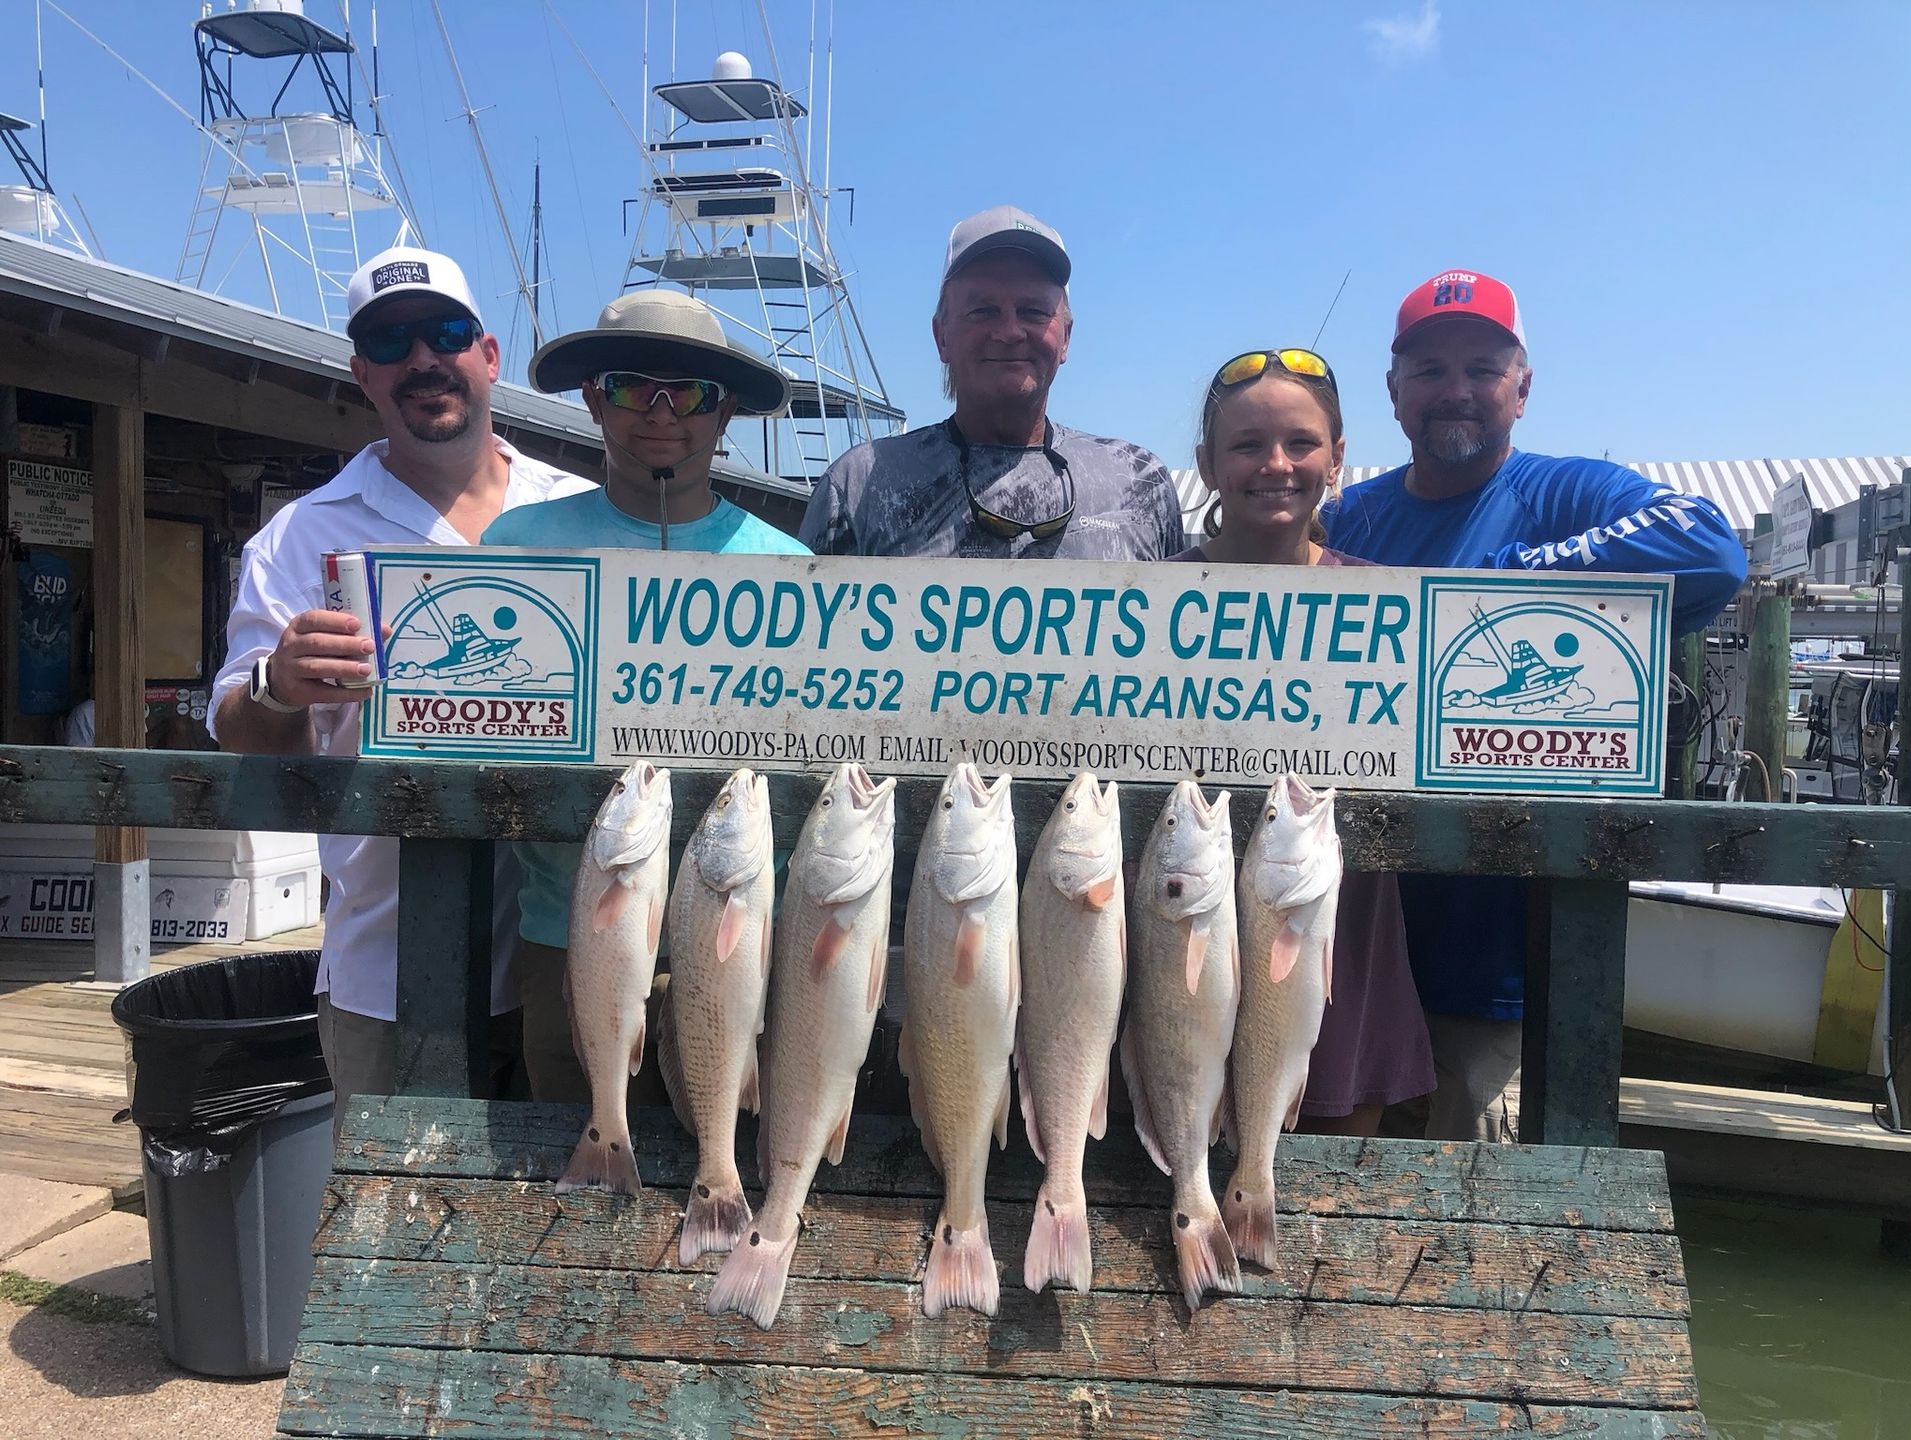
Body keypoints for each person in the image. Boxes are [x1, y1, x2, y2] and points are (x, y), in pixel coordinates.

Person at [1324, 269, 1747, 1141]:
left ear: (1524, 385)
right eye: (1430, 369)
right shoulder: (1347, 521)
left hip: (1489, 971)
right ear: (1393, 391)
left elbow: (1709, 547)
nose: (1456, 390)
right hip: (1343, 957)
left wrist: (1489, 588)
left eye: (1482, 367)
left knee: (1474, 1239)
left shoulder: (1570, 494)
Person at [208, 246, 593, 1137]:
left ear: (487, 355)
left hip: (565, 952)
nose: (423, 358)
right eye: (390, 340)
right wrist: (278, 685)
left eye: (445, 332)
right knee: (395, 1237)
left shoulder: (574, 513)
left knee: (565, 1229)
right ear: (362, 374)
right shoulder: (300, 537)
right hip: (384, 969)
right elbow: (234, 726)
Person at [483, 288, 807, 1101]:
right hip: (570, 932)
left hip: (736, 933)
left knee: (724, 1154)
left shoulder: (790, 569)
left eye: (691, 392)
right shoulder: (515, 548)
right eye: (632, 386)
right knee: (577, 1176)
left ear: (724, 409)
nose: (662, 412)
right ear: (594, 399)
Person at [1175, 346, 1435, 1135]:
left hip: (1337, 933)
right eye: (1247, 445)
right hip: (1187, 928)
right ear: (1208, 464)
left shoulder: (1388, 601)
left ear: (1338, 456)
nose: (1276, 464)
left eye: (1301, 443)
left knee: (1329, 1200)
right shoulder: (1149, 599)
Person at [800, 205, 1183, 560]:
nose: (1010, 331)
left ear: (1066, 337)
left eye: (1033, 311)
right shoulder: (858, 486)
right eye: (983, 310)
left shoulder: (1138, 480)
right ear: (942, 337)